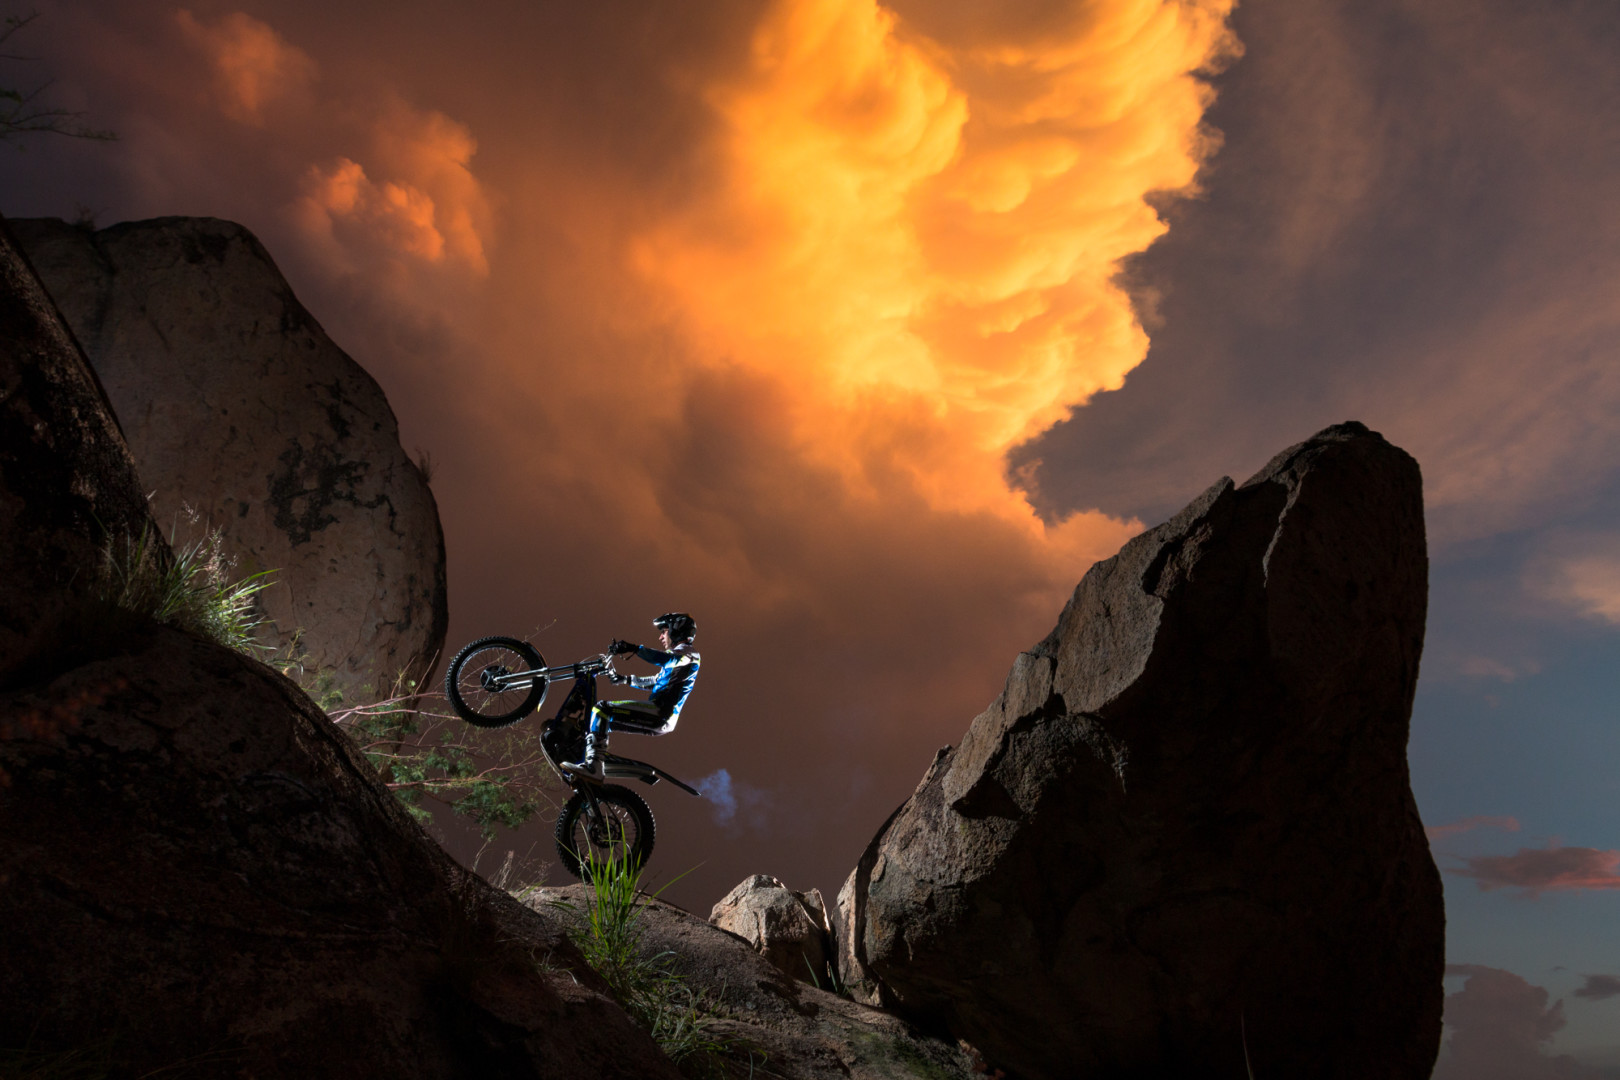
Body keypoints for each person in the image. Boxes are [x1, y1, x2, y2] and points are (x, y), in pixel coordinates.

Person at [563, 612, 700, 781]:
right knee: (600, 722)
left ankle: (594, 767)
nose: (660, 637)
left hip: (662, 713)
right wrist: (625, 679)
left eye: (663, 631)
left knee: (602, 709)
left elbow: (666, 659)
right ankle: (585, 758)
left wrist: (634, 648)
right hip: (661, 716)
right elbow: (655, 681)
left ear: (675, 630)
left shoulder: (689, 655)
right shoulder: (681, 657)